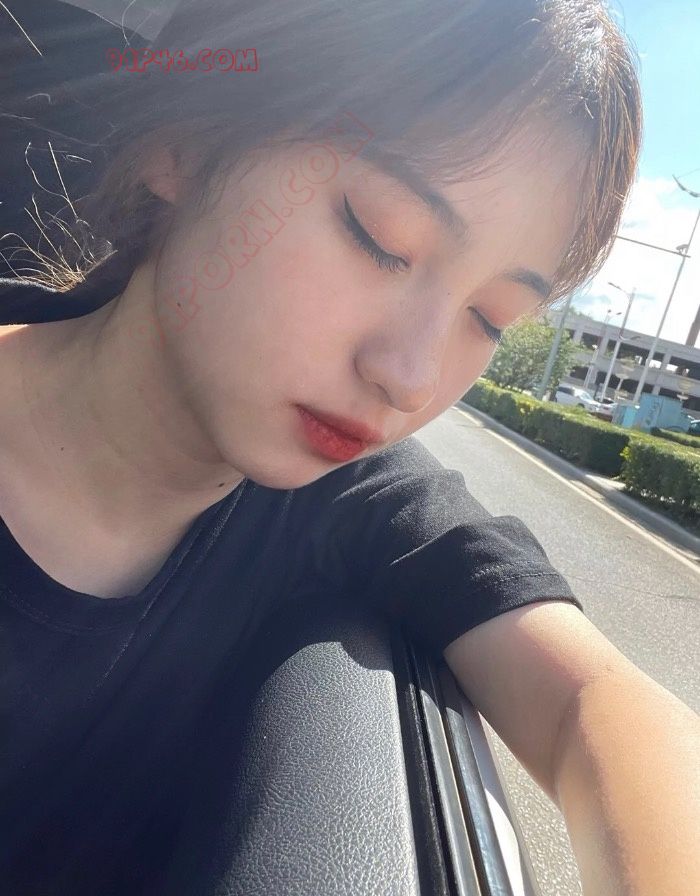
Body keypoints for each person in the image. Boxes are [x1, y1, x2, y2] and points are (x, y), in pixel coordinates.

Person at [0, 1, 697, 894]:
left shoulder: (355, 501)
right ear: (184, 142)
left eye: (490, 318)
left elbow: (597, 704)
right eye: (378, 236)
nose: (411, 376)